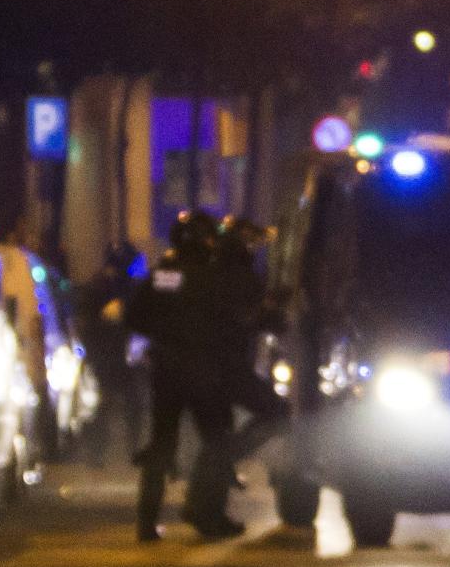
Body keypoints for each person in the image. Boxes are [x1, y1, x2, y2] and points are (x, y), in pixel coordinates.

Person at [124, 210, 243, 542]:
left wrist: (162, 338)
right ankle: (210, 514)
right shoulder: (213, 277)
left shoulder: (164, 275)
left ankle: (146, 522)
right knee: (218, 440)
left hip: (167, 369)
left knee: (161, 443)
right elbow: (233, 322)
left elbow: (135, 316)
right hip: (204, 371)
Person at [214, 216, 291, 466]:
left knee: (216, 430)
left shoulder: (214, 269)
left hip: (198, 365)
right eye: (253, 242)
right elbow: (255, 318)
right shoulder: (240, 275)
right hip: (228, 366)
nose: (257, 247)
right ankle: (224, 461)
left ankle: (216, 471)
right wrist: (275, 310)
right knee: (278, 413)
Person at [77, 243, 146, 468]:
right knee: (104, 405)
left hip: (121, 357)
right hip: (108, 357)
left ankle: (127, 451)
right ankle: (99, 454)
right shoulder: (103, 287)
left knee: (128, 404)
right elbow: (86, 323)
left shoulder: (128, 288)